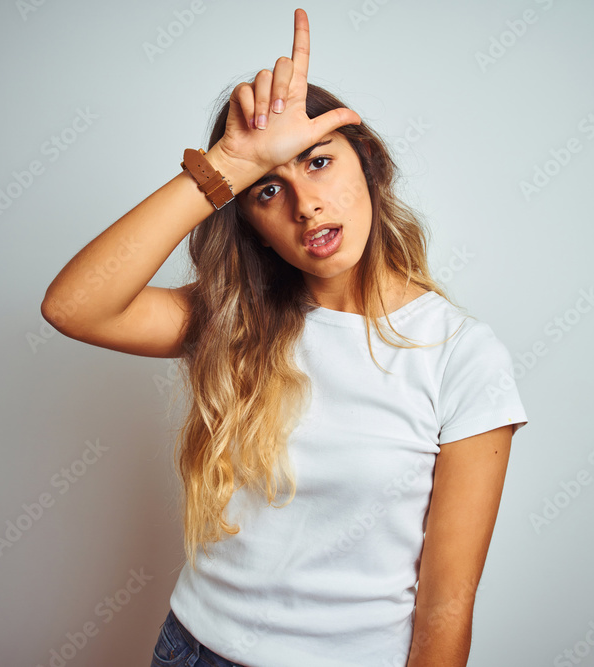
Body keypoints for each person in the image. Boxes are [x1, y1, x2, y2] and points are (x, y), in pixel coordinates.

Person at [41, 8, 528, 667]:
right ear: (250, 223)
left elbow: (447, 604)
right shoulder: (235, 318)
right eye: (269, 189)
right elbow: (75, 306)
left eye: (320, 162)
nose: (306, 205)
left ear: (371, 168)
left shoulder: (463, 356)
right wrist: (227, 165)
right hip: (192, 647)